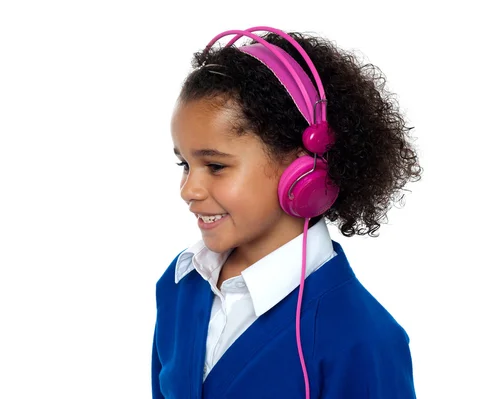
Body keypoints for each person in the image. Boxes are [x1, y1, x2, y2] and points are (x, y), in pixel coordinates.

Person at [151, 26, 422, 399]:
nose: (189, 191)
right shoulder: (182, 283)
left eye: (215, 166)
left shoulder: (361, 340)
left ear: (302, 170)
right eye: (184, 163)